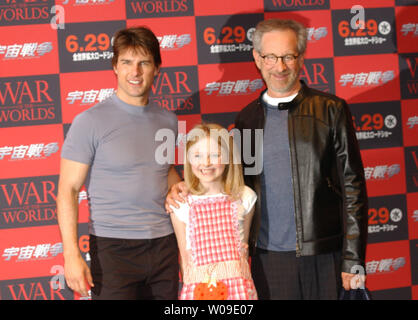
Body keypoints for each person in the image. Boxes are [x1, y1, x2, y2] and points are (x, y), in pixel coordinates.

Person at [166, 19, 368, 300]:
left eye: (288, 56)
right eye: (271, 57)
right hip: (267, 258)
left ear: (301, 57)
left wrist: (353, 259)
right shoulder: (247, 119)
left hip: (325, 254)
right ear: (257, 59)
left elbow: (353, 188)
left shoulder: (331, 110)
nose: (280, 66)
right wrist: (188, 185)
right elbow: (232, 182)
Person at [57, 26, 181, 300]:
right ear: (115, 66)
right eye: (126, 62)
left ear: (157, 68)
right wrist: (71, 255)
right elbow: (68, 189)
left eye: (144, 63)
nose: (135, 72)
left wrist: (179, 188)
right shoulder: (89, 121)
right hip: (113, 249)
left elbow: (164, 168)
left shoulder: (169, 120)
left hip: (164, 246)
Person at [170, 123, 257, 300]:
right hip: (198, 290)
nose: (206, 163)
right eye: (197, 155)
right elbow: (185, 258)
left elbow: (244, 248)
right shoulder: (181, 203)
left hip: (238, 291)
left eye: (215, 155)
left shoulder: (245, 196)